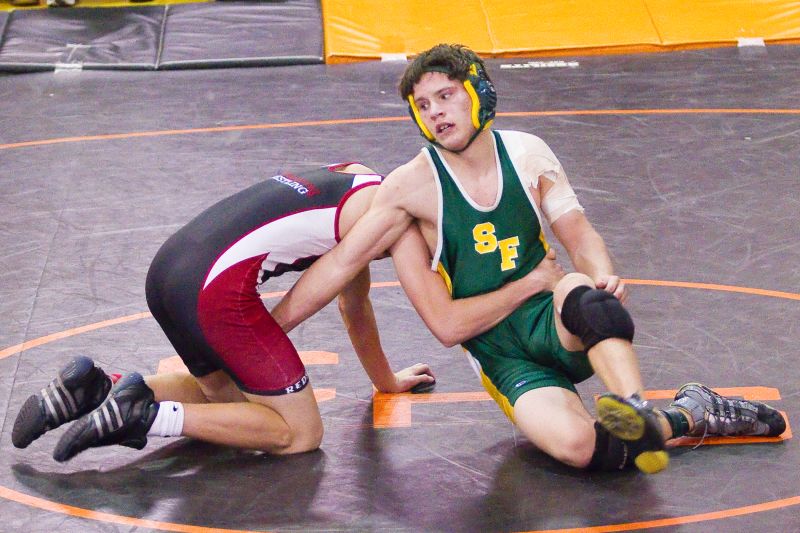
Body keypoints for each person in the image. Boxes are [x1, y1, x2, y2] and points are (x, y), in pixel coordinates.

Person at [270, 44, 786, 474]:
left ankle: (634, 408)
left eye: (445, 96)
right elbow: (342, 267)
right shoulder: (411, 186)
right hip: (499, 351)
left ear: (479, 92)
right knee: (581, 449)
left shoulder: (527, 154)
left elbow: (579, 234)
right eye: (423, 106)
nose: (436, 113)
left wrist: (602, 271)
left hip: (551, 316)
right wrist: (267, 332)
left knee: (584, 293)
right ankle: (688, 414)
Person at [12, 163, 441, 460]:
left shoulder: (360, 178)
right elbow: (332, 282)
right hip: (212, 291)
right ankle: (143, 415)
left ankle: (98, 389)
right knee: (296, 433)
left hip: (169, 269)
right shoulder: (391, 219)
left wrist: (387, 383)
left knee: (235, 405)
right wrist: (257, 340)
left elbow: (356, 305)